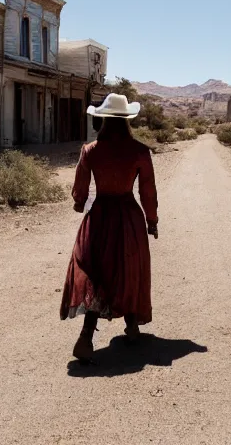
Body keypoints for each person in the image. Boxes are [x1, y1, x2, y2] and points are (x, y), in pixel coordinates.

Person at [59, 93, 159, 362]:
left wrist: (80, 204)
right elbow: (147, 191)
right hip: (129, 217)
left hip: (101, 215)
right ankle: (132, 326)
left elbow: (81, 187)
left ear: (103, 119)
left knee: (97, 270)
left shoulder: (91, 150)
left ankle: (86, 336)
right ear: (127, 120)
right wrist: (152, 221)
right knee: (129, 268)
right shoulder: (139, 151)